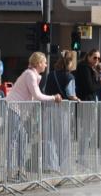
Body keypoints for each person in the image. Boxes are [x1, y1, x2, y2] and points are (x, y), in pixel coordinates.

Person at [6, 52, 61, 180]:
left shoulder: (31, 75)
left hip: (19, 111)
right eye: (44, 62)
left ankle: (19, 170)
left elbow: (34, 95)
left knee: (21, 140)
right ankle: (9, 171)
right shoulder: (29, 74)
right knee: (13, 141)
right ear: (38, 63)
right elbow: (37, 95)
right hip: (14, 109)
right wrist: (54, 97)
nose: (46, 65)